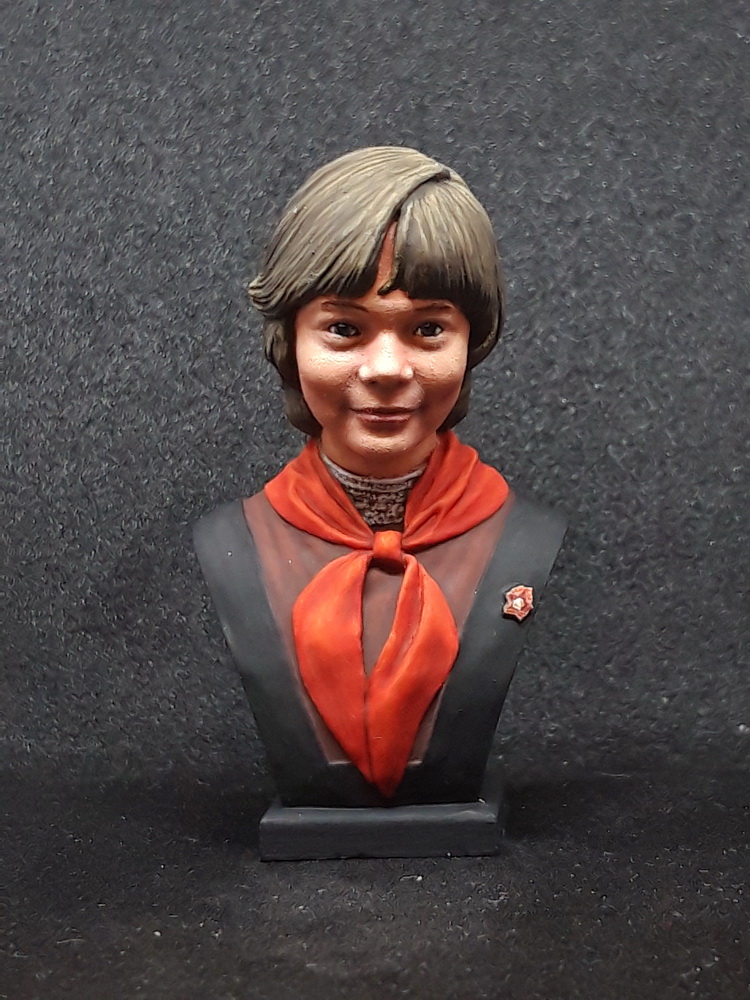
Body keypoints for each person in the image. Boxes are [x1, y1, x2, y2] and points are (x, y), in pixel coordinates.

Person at [194, 147, 565, 823]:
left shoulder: (524, 537)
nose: (388, 368)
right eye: (344, 329)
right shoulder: (234, 543)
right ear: (290, 340)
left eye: (428, 329)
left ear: (472, 342)